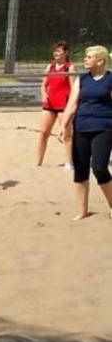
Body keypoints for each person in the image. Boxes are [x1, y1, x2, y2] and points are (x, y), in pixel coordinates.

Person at [59, 45, 112, 220]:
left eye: (89, 57)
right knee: (80, 170)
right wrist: (64, 125)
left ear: (100, 60)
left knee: (99, 167)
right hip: (81, 127)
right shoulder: (81, 80)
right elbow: (72, 105)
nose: (85, 59)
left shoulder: (110, 79)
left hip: (103, 128)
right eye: (86, 56)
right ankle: (82, 210)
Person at [38, 41, 75, 168]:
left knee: (67, 135)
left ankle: (69, 162)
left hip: (63, 106)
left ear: (66, 52)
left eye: (59, 51)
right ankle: (38, 162)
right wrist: (44, 95)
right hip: (49, 104)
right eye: (55, 50)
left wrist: (71, 106)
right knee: (43, 133)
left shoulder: (70, 68)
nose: (55, 53)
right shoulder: (50, 67)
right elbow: (43, 85)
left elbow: (74, 89)